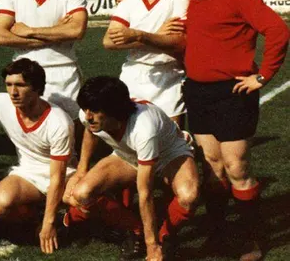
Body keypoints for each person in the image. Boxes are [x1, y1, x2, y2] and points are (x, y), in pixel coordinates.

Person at [180, 0, 289, 261]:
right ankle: (216, 237)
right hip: (197, 91)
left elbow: (278, 30)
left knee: (237, 166)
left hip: (233, 92)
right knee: (212, 167)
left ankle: (251, 239)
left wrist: (262, 76)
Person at [65, 76, 199, 261]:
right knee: (82, 193)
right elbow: (90, 131)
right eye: (85, 108)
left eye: (94, 110)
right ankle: (135, 229)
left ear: (113, 109)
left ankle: (164, 236)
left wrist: (153, 246)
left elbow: (145, 193)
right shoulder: (89, 115)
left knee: (188, 196)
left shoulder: (143, 128)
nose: (87, 115)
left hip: (170, 154)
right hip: (128, 156)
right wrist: (81, 170)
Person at [0, 59, 76, 253]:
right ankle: (35, 218)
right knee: (0, 204)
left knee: (81, 199)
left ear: (36, 88)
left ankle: (61, 220)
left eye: (21, 85)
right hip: (27, 173)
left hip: (63, 175)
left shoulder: (59, 122)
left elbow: (57, 177)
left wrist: (48, 224)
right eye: (9, 84)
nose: (13, 92)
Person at [103, 0, 189, 126]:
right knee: (130, 143)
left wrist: (137, 35)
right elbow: (108, 41)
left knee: (172, 146)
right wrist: (155, 35)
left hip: (168, 74)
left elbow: (179, 41)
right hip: (132, 73)